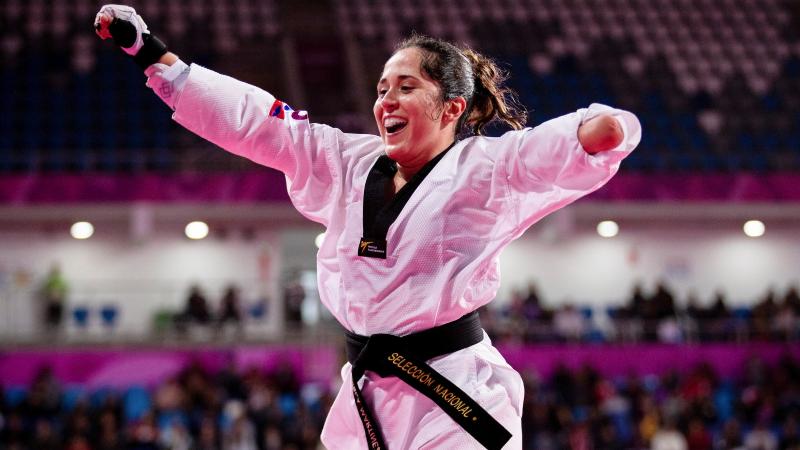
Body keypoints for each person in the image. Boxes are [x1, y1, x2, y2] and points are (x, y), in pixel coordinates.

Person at [94, 5, 641, 449]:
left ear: (452, 107)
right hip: (368, 394)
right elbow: (262, 123)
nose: (386, 101)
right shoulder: (347, 159)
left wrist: (601, 131)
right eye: (381, 89)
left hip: (454, 391)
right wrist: (157, 58)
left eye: (406, 87)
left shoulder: (484, 168)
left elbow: (544, 149)